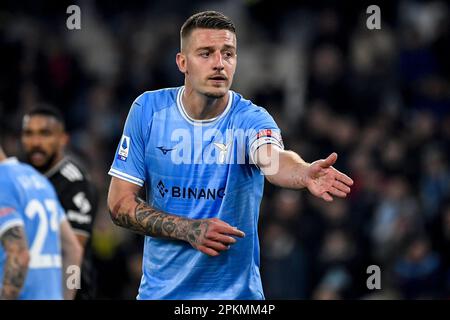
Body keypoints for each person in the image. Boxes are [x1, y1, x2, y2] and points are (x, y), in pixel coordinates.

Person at [107, 11, 354, 299]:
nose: (219, 64)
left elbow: (273, 159)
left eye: (228, 54)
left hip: (236, 299)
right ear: (182, 62)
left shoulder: (251, 119)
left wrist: (302, 172)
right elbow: (118, 204)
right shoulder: (148, 110)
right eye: (206, 53)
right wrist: (188, 229)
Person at [21, 106, 99, 299]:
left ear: (63, 139)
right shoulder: (21, 176)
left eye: (45, 134)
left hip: (67, 291)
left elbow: (74, 251)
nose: (36, 142)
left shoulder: (74, 183)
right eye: (29, 134)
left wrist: (67, 295)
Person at [0, 141, 82, 299]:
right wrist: (67, 296)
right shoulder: (37, 179)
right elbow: (74, 250)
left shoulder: (2, 183)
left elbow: (20, 255)